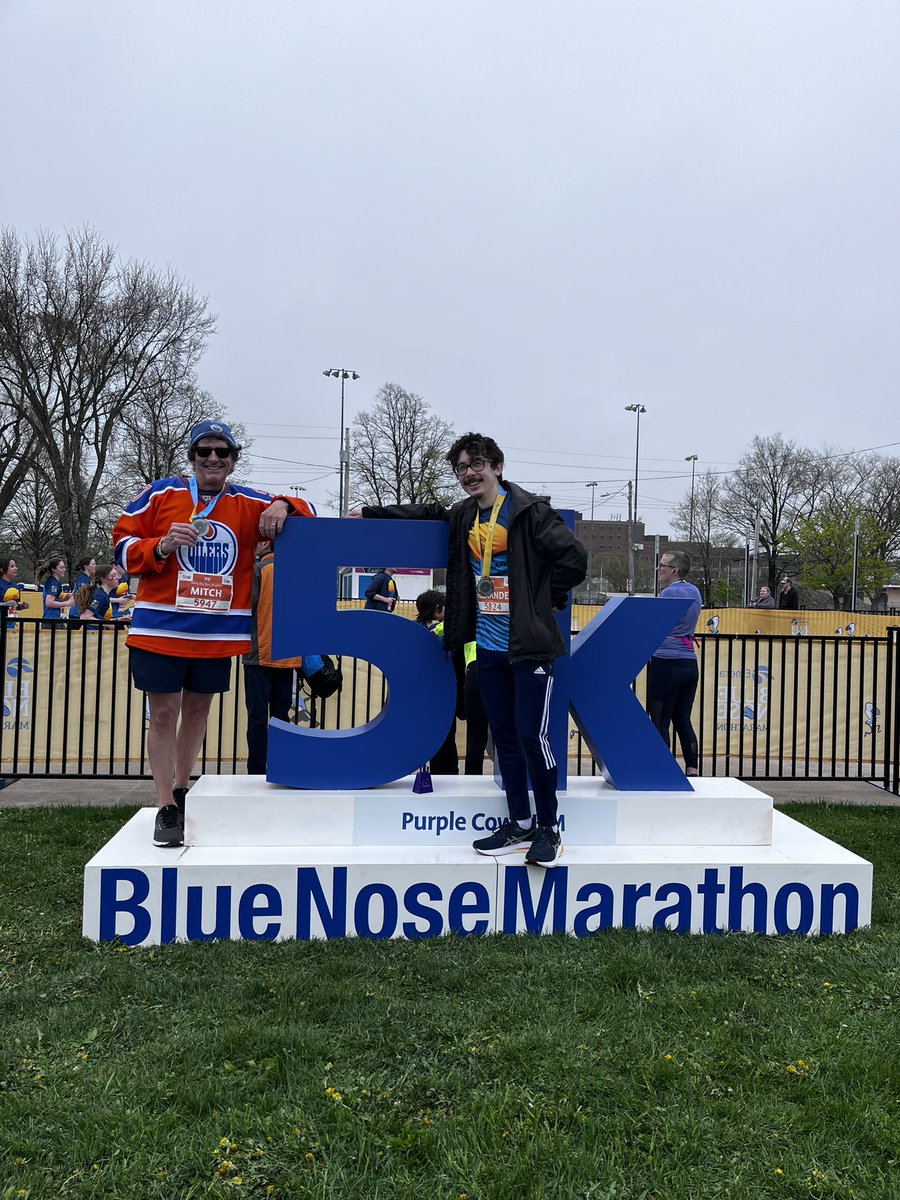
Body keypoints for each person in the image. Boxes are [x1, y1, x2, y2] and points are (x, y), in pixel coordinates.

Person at [351, 432, 587, 867]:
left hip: (529, 648)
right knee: (506, 738)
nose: (468, 473)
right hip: (488, 648)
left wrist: (539, 595)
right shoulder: (463, 515)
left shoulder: (529, 510)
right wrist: (371, 511)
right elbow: (427, 512)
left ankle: (549, 829)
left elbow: (575, 559)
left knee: (535, 737)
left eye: (475, 464)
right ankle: (519, 822)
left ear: (497, 466)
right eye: (460, 468)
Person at [112, 419, 316, 847]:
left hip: (214, 634)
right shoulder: (162, 493)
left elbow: (306, 511)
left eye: (222, 453)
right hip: (161, 630)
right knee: (164, 715)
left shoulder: (246, 502)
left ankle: (184, 789)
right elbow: (122, 546)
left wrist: (282, 505)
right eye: (204, 451)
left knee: (199, 714)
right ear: (192, 456)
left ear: (233, 460)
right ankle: (165, 803)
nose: (212, 459)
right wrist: (162, 546)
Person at [647, 551, 702, 777]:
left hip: (666, 662)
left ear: (674, 570)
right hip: (689, 663)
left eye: (662, 565)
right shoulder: (695, 591)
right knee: (683, 720)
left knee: (660, 720)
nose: (658, 569)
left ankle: (664, 771)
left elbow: (655, 625)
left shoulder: (668, 593)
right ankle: (692, 769)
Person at [415, 588, 462, 775]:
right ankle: (450, 773)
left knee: (436, 736)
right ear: (438, 608)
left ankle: (438, 773)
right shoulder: (441, 631)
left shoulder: (416, 630)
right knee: (448, 736)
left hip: (427, 692)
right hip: (445, 690)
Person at [38, 558, 71, 626]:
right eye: (61, 568)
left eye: (64, 567)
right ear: (54, 569)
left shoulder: (55, 582)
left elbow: (54, 601)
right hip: (51, 620)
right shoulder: (53, 583)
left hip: (54, 618)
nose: (64, 569)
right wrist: (67, 603)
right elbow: (49, 603)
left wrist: (65, 599)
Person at [1, 558, 29, 629]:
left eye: (15, 566)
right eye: (12, 566)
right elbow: (7, 604)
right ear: (2, 570)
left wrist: (21, 606)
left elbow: (15, 605)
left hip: (11, 625)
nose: (16, 568)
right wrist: (5, 604)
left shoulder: (15, 586)